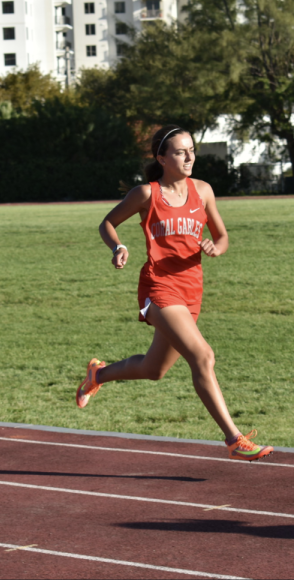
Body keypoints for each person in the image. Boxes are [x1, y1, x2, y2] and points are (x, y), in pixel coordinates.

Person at [76, 125, 273, 461]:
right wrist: (118, 247)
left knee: (155, 369)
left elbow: (223, 236)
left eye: (192, 150)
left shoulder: (204, 191)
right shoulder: (147, 194)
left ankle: (98, 374)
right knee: (203, 357)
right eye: (181, 152)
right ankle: (234, 439)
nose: (189, 157)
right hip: (159, 287)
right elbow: (106, 223)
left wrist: (216, 247)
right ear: (162, 158)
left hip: (191, 289)